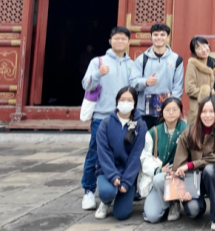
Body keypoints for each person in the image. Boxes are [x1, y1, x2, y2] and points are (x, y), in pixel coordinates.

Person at [80, 27, 137, 211]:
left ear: (128, 42)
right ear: (110, 41)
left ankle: (123, 186)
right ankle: (89, 191)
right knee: (95, 153)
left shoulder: (132, 64)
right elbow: (86, 85)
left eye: (123, 39)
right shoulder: (98, 62)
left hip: (125, 117)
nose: (120, 41)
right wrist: (98, 74)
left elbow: (136, 87)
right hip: (102, 116)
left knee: (126, 152)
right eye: (116, 38)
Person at [172, 96, 215, 230]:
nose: (207, 115)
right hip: (193, 179)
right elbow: (179, 164)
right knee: (194, 211)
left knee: (209, 170)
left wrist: (192, 164)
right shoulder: (189, 131)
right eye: (204, 111)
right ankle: (198, 203)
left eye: (211, 111)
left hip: (214, 175)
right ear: (199, 113)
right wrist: (183, 189)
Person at [94, 86, 147, 220]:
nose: (125, 103)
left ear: (135, 103)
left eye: (129, 100)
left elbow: (136, 156)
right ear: (117, 101)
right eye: (122, 99)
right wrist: (113, 175)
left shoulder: (140, 125)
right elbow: (103, 153)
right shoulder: (105, 123)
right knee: (107, 192)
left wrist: (127, 181)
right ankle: (106, 202)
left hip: (127, 173)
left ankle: (121, 194)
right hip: (107, 171)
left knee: (122, 214)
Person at [142, 97, 188, 223]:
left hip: (180, 176)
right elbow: (145, 157)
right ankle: (166, 204)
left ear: (180, 112)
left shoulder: (187, 130)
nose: (171, 112)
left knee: (159, 179)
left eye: (175, 109)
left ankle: (174, 201)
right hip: (159, 178)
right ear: (162, 111)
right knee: (152, 216)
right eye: (167, 109)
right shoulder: (153, 132)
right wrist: (158, 170)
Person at [133, 23, 184, 130]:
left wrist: (171, 106)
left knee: (164, 139)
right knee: (144, 138)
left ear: (168, 37)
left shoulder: (176, 59)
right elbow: (133, 82)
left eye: (162, 35)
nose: (159, 37)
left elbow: (178, 86)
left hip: (166, 110)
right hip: (144, 111)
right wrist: (145, 82)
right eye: (155, 35)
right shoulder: (142, 59)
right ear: (151, 37)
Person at [186, 36, 215, 123]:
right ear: (194, 52)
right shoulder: (192, 64)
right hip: (198, 108)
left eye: (205, 46)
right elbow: (189, 88)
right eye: (199, 48)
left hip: (214, 106)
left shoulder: (214, 62)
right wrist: (207, 93)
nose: (204, 50)